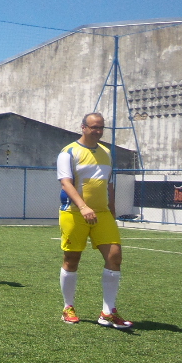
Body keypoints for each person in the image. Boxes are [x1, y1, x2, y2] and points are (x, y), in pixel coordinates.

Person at [57, 113, 131, 329]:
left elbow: (108, 184)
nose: (98, 131)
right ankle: (68, 307)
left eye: (101, 128)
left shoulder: (107, 153)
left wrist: (112, 209)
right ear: (83, 127)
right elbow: (66, 184)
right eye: (94, 127)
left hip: (103, 214)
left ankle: (108, 312)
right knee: (72, 259)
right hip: (73, 212)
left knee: (115, 257)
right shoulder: (68, 152)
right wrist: (83, 206)